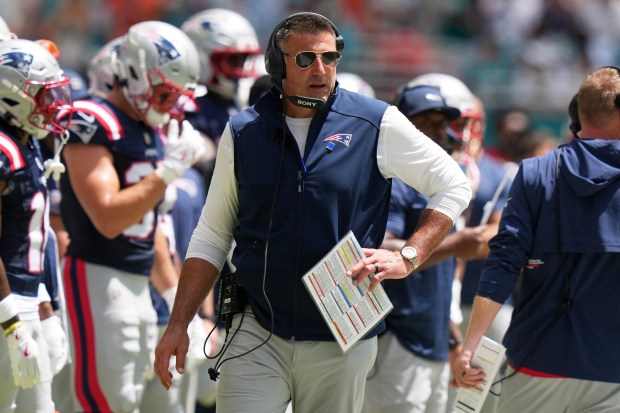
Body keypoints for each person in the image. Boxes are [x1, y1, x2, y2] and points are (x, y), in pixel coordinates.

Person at [154, 12, 472, 413]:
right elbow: (212, 235)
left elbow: (454, 185)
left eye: (330, 57)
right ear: (276, 65)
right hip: (256, 326)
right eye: (305, 59)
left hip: (343, 331)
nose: (320, 69)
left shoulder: (377, 122)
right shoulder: (243, 131)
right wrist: (179, 323)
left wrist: (409, 256)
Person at [57, 21, 205, 412]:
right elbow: (107, 216)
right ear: (137, 74)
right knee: (107, 402)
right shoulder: (93, 118)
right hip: (97, 274)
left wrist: (176, 299)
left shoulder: (148, 132)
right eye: (165, 94)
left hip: (141, 282)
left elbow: (150, 227)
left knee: (135, 402)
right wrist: (169, 170)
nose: (171, 107)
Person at [454, 65, 620, 412]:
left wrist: (470, 345)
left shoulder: (534, 172)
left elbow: (503, 262)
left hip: (538, 359)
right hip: (611, 369)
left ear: (578, 113)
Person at [362, 84, 463, 413]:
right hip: (398, 338)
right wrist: (453, 245)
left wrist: (452, 338)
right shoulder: (397, 181)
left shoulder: (443, 184)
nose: (439, 131)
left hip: (432, 341)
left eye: (442, 122)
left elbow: (442, 278)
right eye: (426, 122)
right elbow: (378, 246)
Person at [0, 37, 74, 413]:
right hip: (7, 308)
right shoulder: (4, 146)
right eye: (45, 96)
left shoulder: (24, 141)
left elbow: (30, 238)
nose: (55, 106)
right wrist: (11, 321)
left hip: (26, 300)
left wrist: (45, 308)